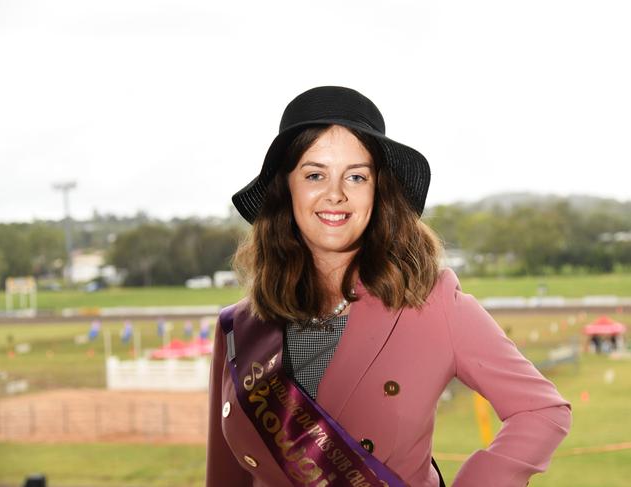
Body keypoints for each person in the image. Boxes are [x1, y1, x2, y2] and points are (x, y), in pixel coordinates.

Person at [207, 86, 571, 487]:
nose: (335, 194)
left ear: (378, 189)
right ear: (286, 188)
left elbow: (541, 410)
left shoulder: (431, 303)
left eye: (356, 176)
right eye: (314, 174)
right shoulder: (239, 329)